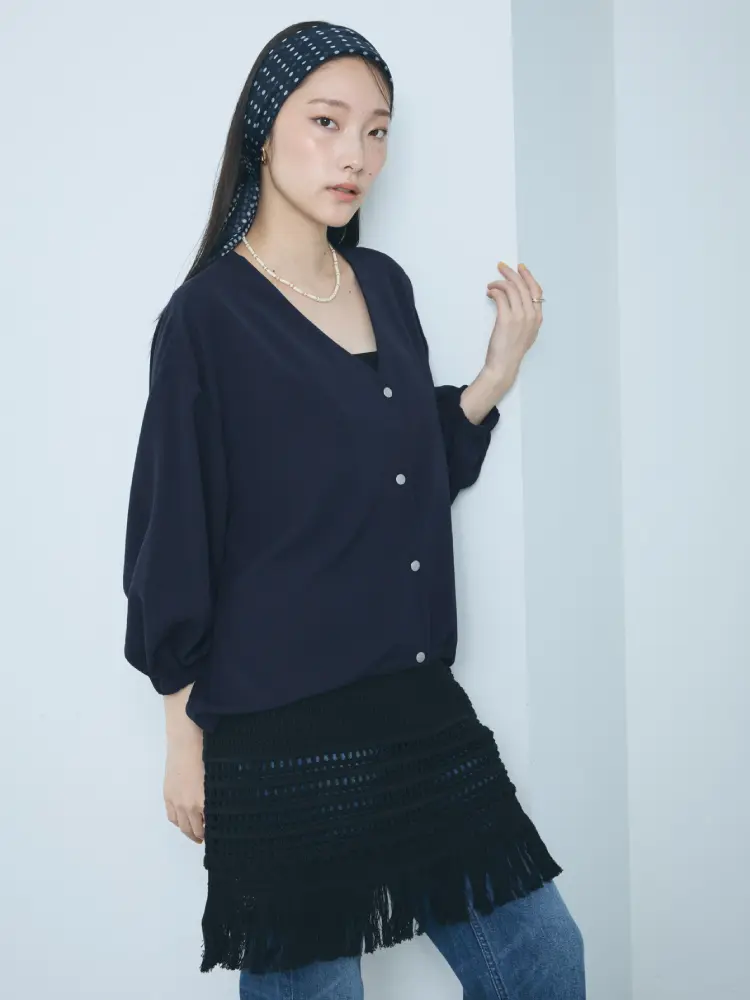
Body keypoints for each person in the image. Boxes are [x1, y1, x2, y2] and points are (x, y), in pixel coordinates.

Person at [121, 19, 586, 1000]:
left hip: (415, 707)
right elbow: (173, 533)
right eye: (327, 122)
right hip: (279, 727)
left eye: (377, 132)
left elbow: (400, 476)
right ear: (264, 131)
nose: (357, 156)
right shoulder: (206, 319)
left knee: (543, 959)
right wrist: (181, 739)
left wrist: (492, 380)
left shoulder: (383, 285)